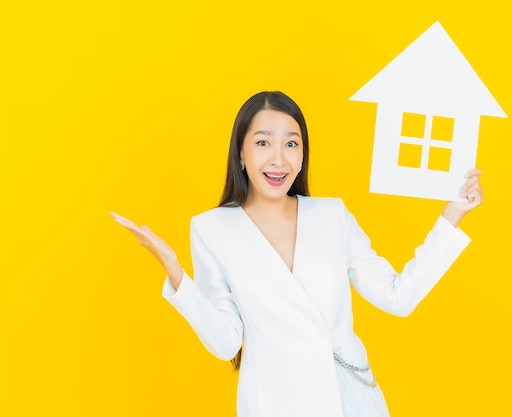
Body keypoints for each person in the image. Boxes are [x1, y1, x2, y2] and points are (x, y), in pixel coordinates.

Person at [111, 91, 483, 417]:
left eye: (291, 144)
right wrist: (175, 272)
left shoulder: (331, 215)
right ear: (240, 152)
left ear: (303, 155)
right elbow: (226, 342)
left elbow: (397, 297)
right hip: (275, 403)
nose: (279, 159)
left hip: (348, 400)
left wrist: (452, 215)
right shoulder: (212, 228)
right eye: (262, 143)